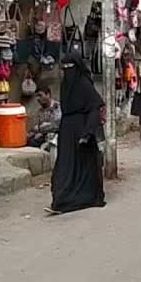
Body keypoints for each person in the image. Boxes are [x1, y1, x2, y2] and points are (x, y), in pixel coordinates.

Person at [48, 54, 106, 214]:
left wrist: (87, 133)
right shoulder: (65, 84)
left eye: (70, 68)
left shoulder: (84, 84)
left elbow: (94, 107)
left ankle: (84, 198)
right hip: (67, 131)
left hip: (82, 131)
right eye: (64, 68)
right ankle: (61, 200)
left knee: (84, 167)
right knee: (65, 166)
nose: (67, 71)